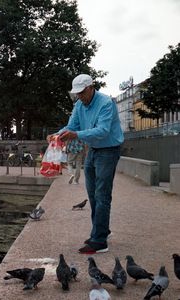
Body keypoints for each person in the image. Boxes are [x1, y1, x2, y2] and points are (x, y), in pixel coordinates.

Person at [48, 74, 124, 254]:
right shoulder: (79, 105)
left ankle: (100, 242)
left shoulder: (106, 103)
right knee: (92, 193)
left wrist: (77, 135)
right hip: (94, 149)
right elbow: (71, 125)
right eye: (77, 94)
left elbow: (103, 131)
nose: (80, 97)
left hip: (109, 148)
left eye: (82, 93)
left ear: (91, 87)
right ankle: (100, 231)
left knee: (102, 194)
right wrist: (56, 135)